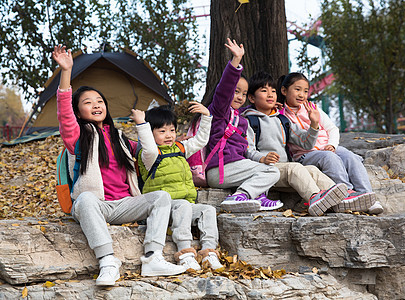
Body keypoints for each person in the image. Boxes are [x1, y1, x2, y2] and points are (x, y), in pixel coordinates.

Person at [52, 44, 185, 285]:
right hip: (98, 205)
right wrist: (66, 72)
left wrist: (144, 125)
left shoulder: (121, 138)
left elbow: (150, 154)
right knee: (84, 200)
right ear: (79, 112)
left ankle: (153, 257)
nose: (96, 105)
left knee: (162, 198)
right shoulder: (77, 136)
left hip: (125, 204)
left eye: (100, 101)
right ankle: (107, 261)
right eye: (88, 102)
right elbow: (63, 114)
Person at [243, 71, 354, 216]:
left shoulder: (282, 120)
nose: (270, 94)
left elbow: (306, 143)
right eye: (264, 91)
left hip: (286, 170)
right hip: (267, 171)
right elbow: (247, 150)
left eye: (273, 91)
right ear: (251, 97)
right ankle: (314, 199)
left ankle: (345, 198)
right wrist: (262, 158)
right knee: (295, 168)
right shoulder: (248, 121)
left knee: (312, 171)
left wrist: (314, 125)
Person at [277, 72, 383, 214]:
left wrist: (332, 144)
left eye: (305, 91)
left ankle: (368, 196)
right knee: (329, 157)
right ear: (284, 91)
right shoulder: (282, 115)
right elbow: (302, 142)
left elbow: (332, 128)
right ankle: (347, 195)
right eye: (297, 89)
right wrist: (313, 123)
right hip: (306, 155)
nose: (302, 94)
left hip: (326, 148)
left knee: (348, 155)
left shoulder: (313, 108)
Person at [135, 105, 223, 271]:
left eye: (172, 130)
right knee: (182, 205)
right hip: (163, 210)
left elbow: (200, 141)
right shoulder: (149, 155)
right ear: (151, 133)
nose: (168, 135)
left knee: (208, 210)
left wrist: (206, 117)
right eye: (162, 131)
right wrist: (142, 125)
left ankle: (209, 252)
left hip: (184, 208)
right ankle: (185, 253)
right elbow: (148, 145)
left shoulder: (180, 148)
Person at [203, 39, 281, 212]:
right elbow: (224, 90)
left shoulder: (241, 118)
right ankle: (241, 196)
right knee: (272, 172)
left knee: (267, 167)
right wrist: (235, 61)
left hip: (234, 167)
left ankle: (259, 196)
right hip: (220, 170)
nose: (239, 97)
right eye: (236, 91)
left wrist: (271, 107)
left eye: (244, 94)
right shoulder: (219, 112)